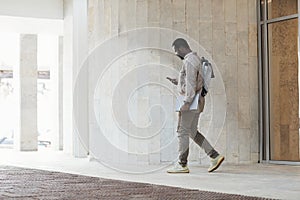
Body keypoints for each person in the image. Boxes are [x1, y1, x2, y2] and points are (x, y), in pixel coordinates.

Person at [166, 38, 224, 173]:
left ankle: (182, 164)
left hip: (191, 102)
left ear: (181, 49)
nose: (176, 54)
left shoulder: (189, 61)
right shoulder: (195, 59)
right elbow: (192, 80)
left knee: (182, 131)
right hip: (197, 100)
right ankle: (214, 156)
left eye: (176, 52)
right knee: (192, 131)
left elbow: (191, 83)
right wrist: (178, 82)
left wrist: (186, 103)